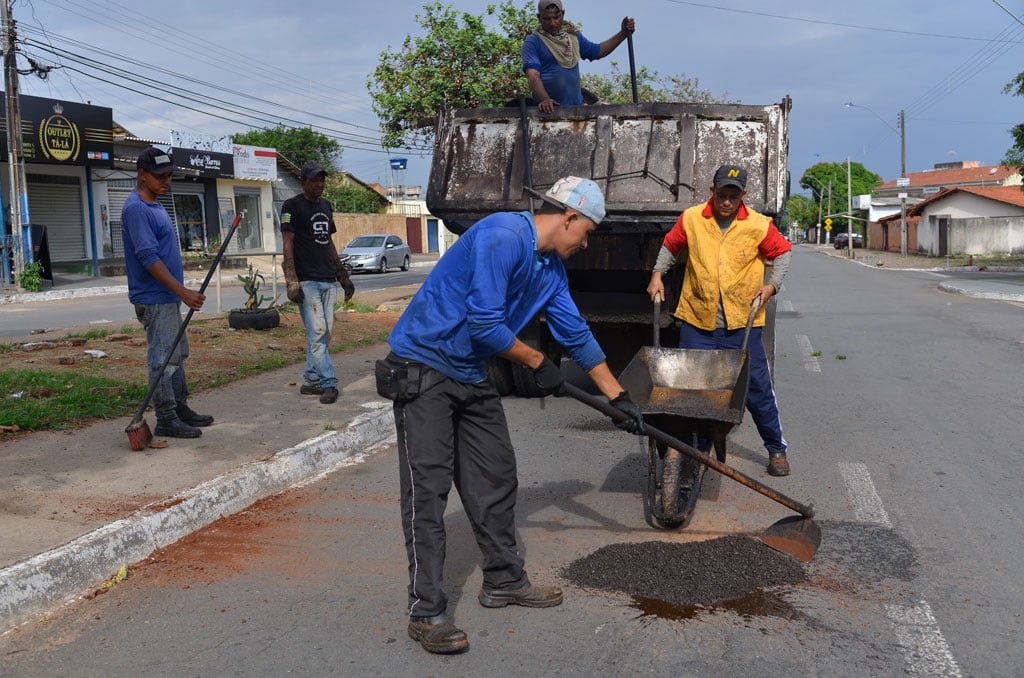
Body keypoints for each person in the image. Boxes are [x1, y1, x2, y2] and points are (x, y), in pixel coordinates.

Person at [379, 176, 645, 655]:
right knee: (428, 491)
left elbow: (576, 334)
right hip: (423, 367)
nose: (586, 244)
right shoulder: (502, 235)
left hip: (467, 370)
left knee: (496, 475)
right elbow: (484, 324)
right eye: (586, 232)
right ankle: (427, 610)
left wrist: (617, 397)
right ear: (569, 216)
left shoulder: (550, 271)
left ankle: (503, 579)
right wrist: (536, 361)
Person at [646, 165, 794, 477]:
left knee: (756, 389)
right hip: (697, 320)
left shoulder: (758, 225)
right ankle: (688, 445)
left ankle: (776, 449)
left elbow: (782, 253)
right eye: (721, 195)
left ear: (743, 196)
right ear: (712, 193)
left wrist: (772, 285)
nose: (726, 202)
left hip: (743, 322)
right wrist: (658, 275)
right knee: (689, 390)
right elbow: (671, 247)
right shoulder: (692, 219)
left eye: (733, 196)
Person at [122, 146, 213, 439]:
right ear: (142, 175)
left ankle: (180, 408)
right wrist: (183, 292)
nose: (167, 181)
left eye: (170, 175)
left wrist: (178, 293)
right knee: (163, 358)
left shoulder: (155, 204)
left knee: (177, 354)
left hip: (167, 296)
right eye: (161, 176)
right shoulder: (136, 208)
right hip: (154, 297)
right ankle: (165, 417)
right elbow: (148, 258)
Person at [280, 161, 355, 405]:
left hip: (328, 279)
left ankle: (311, 380)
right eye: (314, 180)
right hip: (307, 281)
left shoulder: (326, 205)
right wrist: (291, 279)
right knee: (318, 333)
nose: (319, 184)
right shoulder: (291, 206)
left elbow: (329, 243)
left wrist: (342, 274)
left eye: (322, 180)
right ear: (302, 181)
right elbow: (288, 241)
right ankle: (328, 383)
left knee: (325, 335)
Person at [523, 0, 636, 113]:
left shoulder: (573, 37)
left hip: (575, 110)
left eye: (556, 17)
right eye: (547, 19)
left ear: (563, 14)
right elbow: (532, 75)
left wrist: (623, 34)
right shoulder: (533, 41)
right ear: (539, 17)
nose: (553, 23)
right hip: (547, 110)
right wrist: (545, 99)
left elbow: (597, 51)